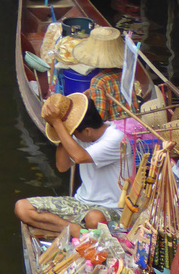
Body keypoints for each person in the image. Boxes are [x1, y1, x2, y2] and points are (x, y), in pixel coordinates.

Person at [14, 93, 124, 235]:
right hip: (80, 202)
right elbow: (62, 166)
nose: (73, 137)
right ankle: (74, 229)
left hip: (111, 208)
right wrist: (63, 129)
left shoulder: (116, 138)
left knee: (93, 219)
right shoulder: (80, 135)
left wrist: (58, 124)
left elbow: (79, 157)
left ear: (88, 131)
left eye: (74, 132)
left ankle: (77, 230)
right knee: (22, 208)